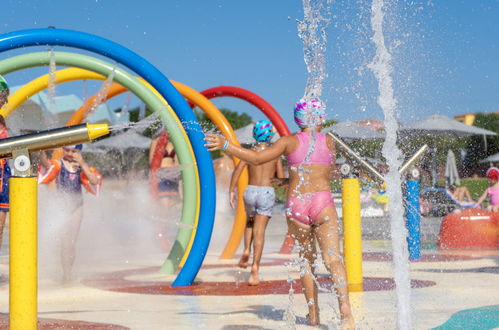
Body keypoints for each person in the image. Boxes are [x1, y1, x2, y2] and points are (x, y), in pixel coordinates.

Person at [205, 98, 355, 328]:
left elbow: (255, 158)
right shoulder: (331, 142)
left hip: (297, 205)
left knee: (306, 261)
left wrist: (227, 145)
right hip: (322, 203)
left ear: (297, 118)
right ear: (321, 118)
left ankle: (313, 315)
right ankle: (346, 313)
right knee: (333, 259)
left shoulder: (288, 142)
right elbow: (328, 171)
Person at [229, 120, 285, 285]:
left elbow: (237, 171)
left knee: (249, 224)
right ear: (270, 135)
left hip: (250, 191)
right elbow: (280, 179)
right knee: (259, 232)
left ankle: (246, 250)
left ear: (254, 134)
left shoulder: (250, 152)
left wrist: (231, 191)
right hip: (266, 192)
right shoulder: (274, 154)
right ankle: (255, 268)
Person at [39, 144, 102, 282]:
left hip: (77, 207)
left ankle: (68, 272)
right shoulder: (58, 164)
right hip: (62, 205)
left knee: (71, 243)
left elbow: (94, 181)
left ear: (79, 151)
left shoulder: (81, 167)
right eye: (66, 149)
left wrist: (82, 163)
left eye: (73, 151)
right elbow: (45, 164)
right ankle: (66, 274)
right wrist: (41, 150)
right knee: (64, 242)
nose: (69, 153)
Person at [149, 131, 180, 210]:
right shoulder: (156, 142)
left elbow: (177, 161)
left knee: (173, 202)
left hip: (173, 174)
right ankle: (162, 220)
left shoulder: (175, 143)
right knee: (165, 204)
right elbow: (151, 161)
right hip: (162, 173)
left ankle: (168, 220)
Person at [0, 76, 11, 261]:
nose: (6, 101)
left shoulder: (1, 119)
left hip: (3, 175)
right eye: (4, 96)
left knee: (0, 228)